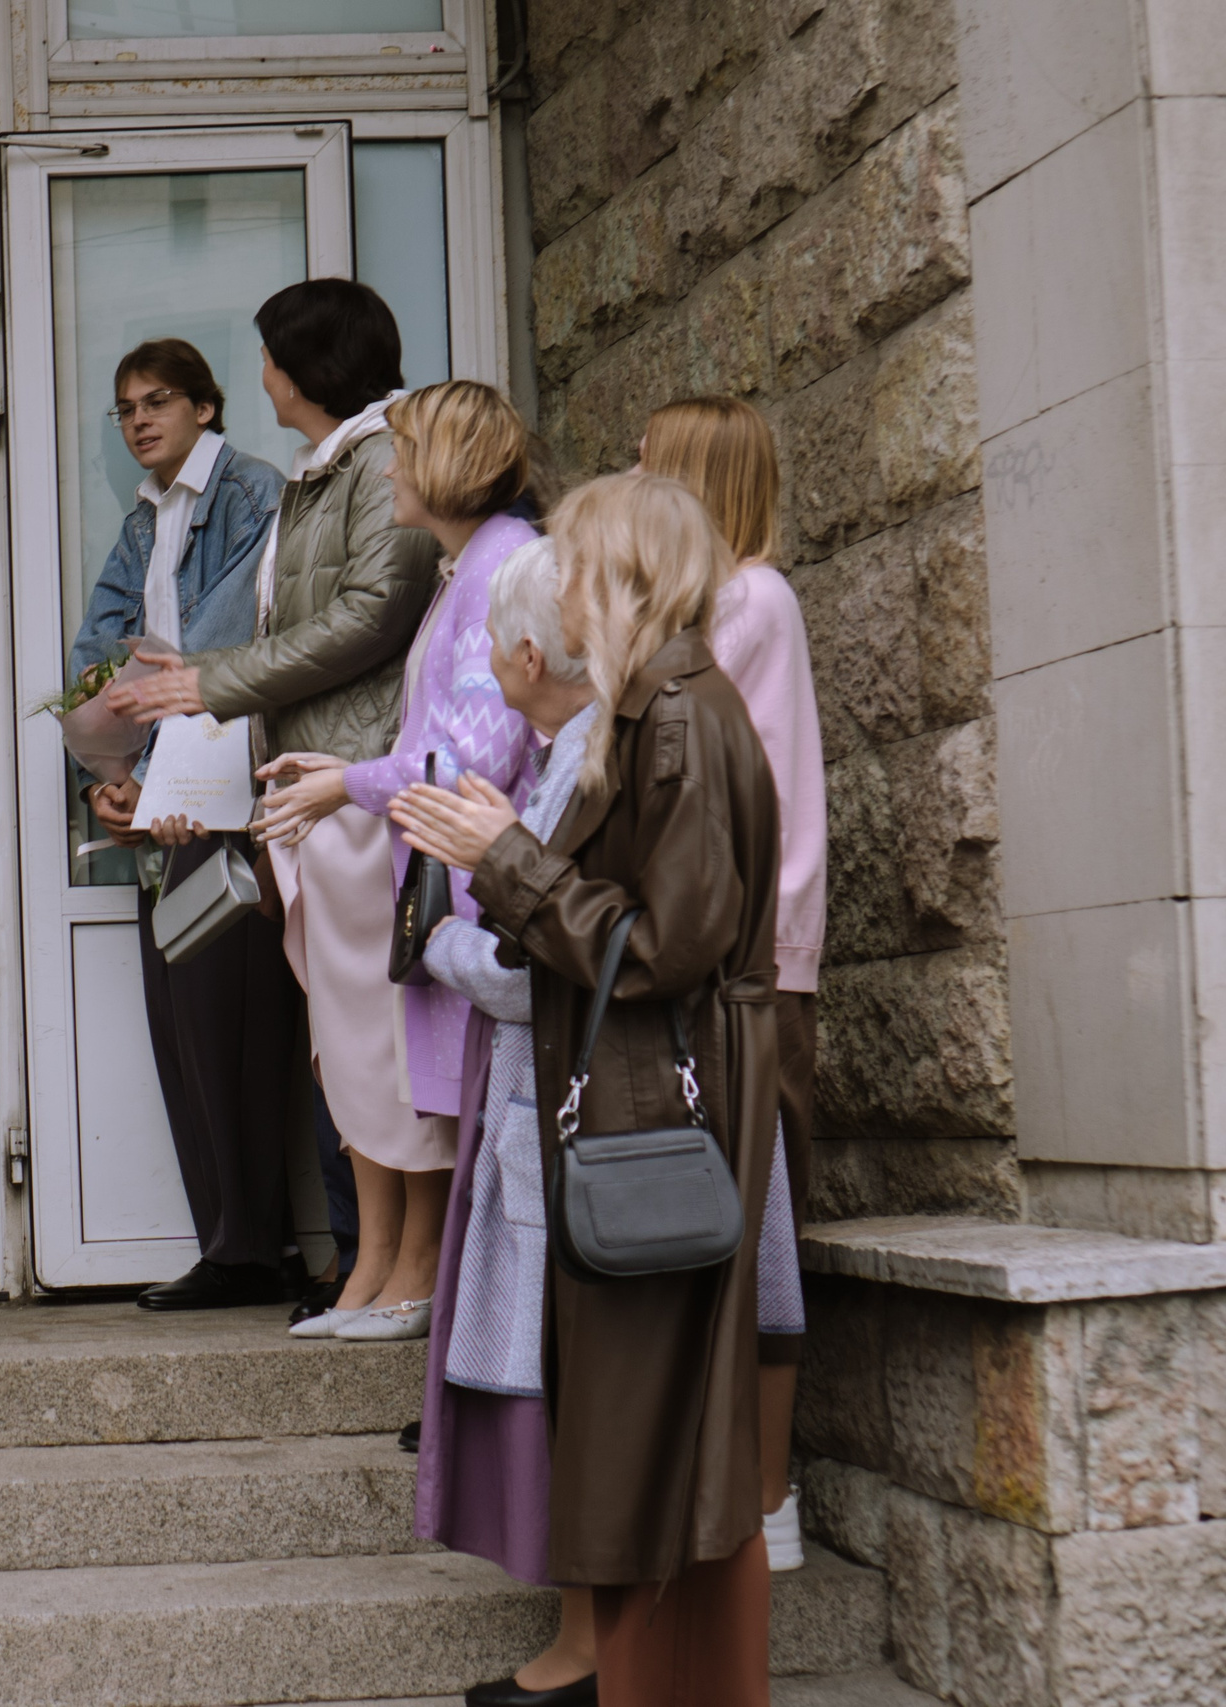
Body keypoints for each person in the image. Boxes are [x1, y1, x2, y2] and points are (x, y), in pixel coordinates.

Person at [391, 469, 784, 1707]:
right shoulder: (654, 707)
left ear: (620, 573)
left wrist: (499, 857)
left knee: (659, 1440)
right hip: (634, 1108)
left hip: (660, 1112)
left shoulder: (676, 714)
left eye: (570, 562)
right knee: (635, 1439)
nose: (553, 589)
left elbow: (671, 945)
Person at [107, 288, 441, 1310]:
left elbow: (364, 619)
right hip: (302, 787)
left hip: (357, 779)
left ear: (299, 367)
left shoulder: (382, 460)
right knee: (340, 1040)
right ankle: (369, 1267)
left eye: (264, 355)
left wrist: (201, 685)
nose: (259, 373)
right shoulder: (324, 468)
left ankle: (400, 1270)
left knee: (383, 1041)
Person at [247, 379, 536, 1346]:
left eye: (404, 453)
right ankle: (389, 1270)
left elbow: (470, 755)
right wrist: (347, 768)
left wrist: (344, 786)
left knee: (431, 1098)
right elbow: (437, 733)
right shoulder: (473, 563)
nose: (389, 469)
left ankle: (419, 1279)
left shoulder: (500, 565)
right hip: (434, 862)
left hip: (465, 876)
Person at [408, 537, 602, 1705]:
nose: (485, 658)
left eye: (489, 641)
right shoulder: (572, 746)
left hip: (564, 1104)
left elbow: (547, 960)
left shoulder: (587, 758)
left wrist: (439, 943)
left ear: (530, 654)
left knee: (562, 1376)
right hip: (548, 1102)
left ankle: (583, 1647)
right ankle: (579, 1637)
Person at [68, 337, 290, 1311]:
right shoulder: (140, 520)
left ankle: (259, 1246)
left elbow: (224, 642)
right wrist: (108, 779)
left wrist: (153, 771)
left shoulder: (250, 493)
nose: (139, 421)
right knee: (181, 1023)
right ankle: (227, 1243)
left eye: (156, 401)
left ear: (206, 404)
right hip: (161, 795)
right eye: (124, 409)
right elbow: (96, 659)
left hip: (229, 788)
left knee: (237, 1025)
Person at [639, 394, 822, 1572]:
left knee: (760, 1224)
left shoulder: (746, 602)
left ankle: (770, 1494)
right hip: (748, 950)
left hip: (754, 962)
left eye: (651, 463)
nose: (632, 477)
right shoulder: (743, 599)